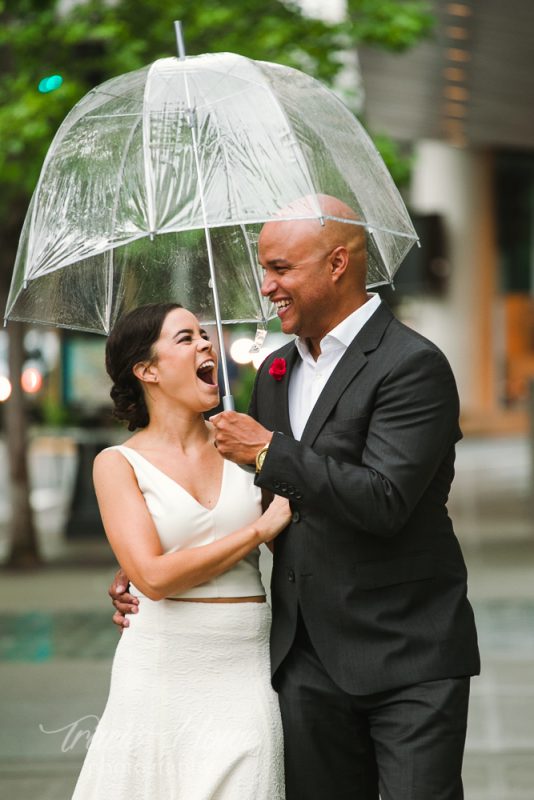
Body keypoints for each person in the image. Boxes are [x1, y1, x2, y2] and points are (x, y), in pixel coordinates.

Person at [111, 194, 480, 800]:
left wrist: (267, 451)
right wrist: (148, 552)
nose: (267, 285)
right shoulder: (275, 371)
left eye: (281, 268)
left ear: (337, 263)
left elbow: (385, 500)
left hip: (407, 656)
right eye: (264, 269)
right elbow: (256, 504)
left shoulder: (414, 365)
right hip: (302, 661)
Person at [72, 302, 289, 800]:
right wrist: (257, 532)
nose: (206, 344)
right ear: (147, 370)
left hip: (245, 667)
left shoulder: (244, 446)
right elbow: (152, 576)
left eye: (205, 335)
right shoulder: (117, 463)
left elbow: (297, 545)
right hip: (160, 670)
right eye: (186, 338)